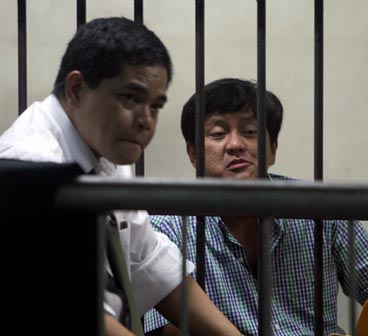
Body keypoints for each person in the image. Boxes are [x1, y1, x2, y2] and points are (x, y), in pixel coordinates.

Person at [0, 18, 243, 336]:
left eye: (155, 106)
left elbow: (148, 260)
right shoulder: (31, 165)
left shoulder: (103, 146)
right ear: (76, 89)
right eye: (130, 98)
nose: (146, 121)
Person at [143, 78, 368, 336]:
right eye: (218, 134)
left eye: (250, 132)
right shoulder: (168, 226)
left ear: (273, 149)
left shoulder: (320, 209)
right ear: (193, 154)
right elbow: (162, 326)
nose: (235, 145)